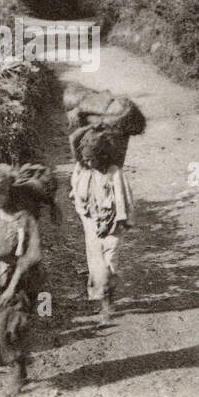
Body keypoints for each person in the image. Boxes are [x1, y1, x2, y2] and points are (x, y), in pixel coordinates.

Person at [0, 164, 55, 397]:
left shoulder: (23, 216)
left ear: (7, 194)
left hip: (22, 275)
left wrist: (12, 287)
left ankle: (16, 371)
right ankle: (20, 365)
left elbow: (32, 256)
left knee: (12, 324)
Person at [68, 125, 134, 324]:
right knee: (97, 265)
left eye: (92, 159)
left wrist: (113, 223)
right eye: (86, 159)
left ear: (101, 156)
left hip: (112, 226)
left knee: (110, 264)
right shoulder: (84, 172)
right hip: (92, 225)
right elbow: (77, 196)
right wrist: (87, 217)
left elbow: (122, 200)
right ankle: (105, 303)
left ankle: (109, 298)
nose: (88, 162)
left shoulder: (113, 173)